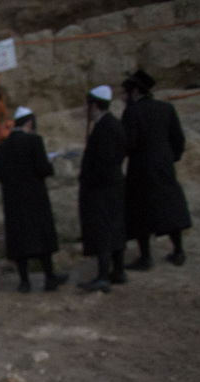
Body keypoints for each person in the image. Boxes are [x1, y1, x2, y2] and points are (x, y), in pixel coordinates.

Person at [0, 106, 67, 292]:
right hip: (35, 198)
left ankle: (24, 281)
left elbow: (1, 177)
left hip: (13, 201)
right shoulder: (34, 141)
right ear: (30, 123)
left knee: (20, 240)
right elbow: (43, 169)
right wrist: (49, 163)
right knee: (42, 237)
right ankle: (49, 277)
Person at [121, 68, 191, 268]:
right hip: (163, 166)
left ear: (135, 91)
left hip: (140, 169)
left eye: (126, 92)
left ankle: (145, 257)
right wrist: (170, 158)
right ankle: (178, 250)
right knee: (170, 207)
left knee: (140, 212)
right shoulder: (166, 108)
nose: (124, 97)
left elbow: (129, 143)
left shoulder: (132, 112)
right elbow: (178, 139)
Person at [77, 85, 128, 293]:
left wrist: (91, 180)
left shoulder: (105, 128)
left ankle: (103, 276)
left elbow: (104, 161)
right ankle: (118, 270)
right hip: (112, 185)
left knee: (103, 231)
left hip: (102, 189)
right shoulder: (112, 124)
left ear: (94, 106)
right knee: (114, 228)